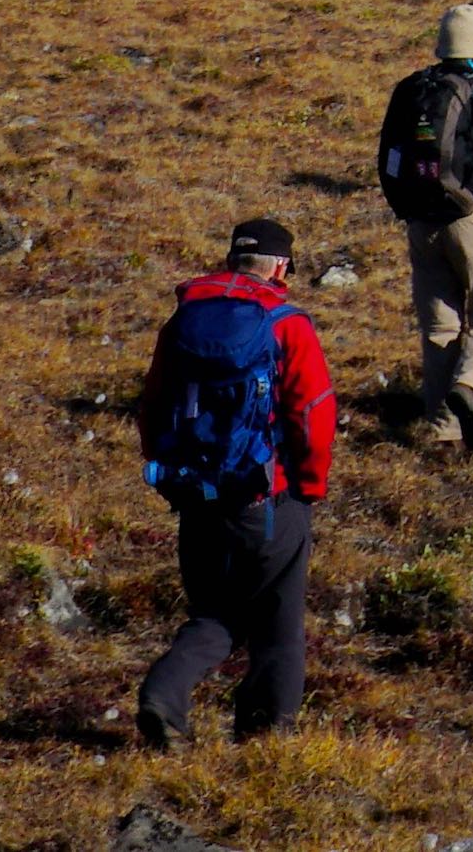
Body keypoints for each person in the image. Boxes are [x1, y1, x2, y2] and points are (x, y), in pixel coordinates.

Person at [132, 216, 338, 751]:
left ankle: (166, 692)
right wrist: (310, 486)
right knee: (278, 619)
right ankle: (266, 736)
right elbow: (314, 412)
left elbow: (153, 402)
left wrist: (166, 469)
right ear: (282, 267)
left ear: (232, 260)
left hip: (196, 492)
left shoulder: (184, 319)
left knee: (215, 611)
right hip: (268, 497)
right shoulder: (287, 323)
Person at [376, 5, 473, 451]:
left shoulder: (410, 89)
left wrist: (404, 208)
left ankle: (443, 429)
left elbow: (387, 157)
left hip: (422, 220)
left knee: (440, 326)